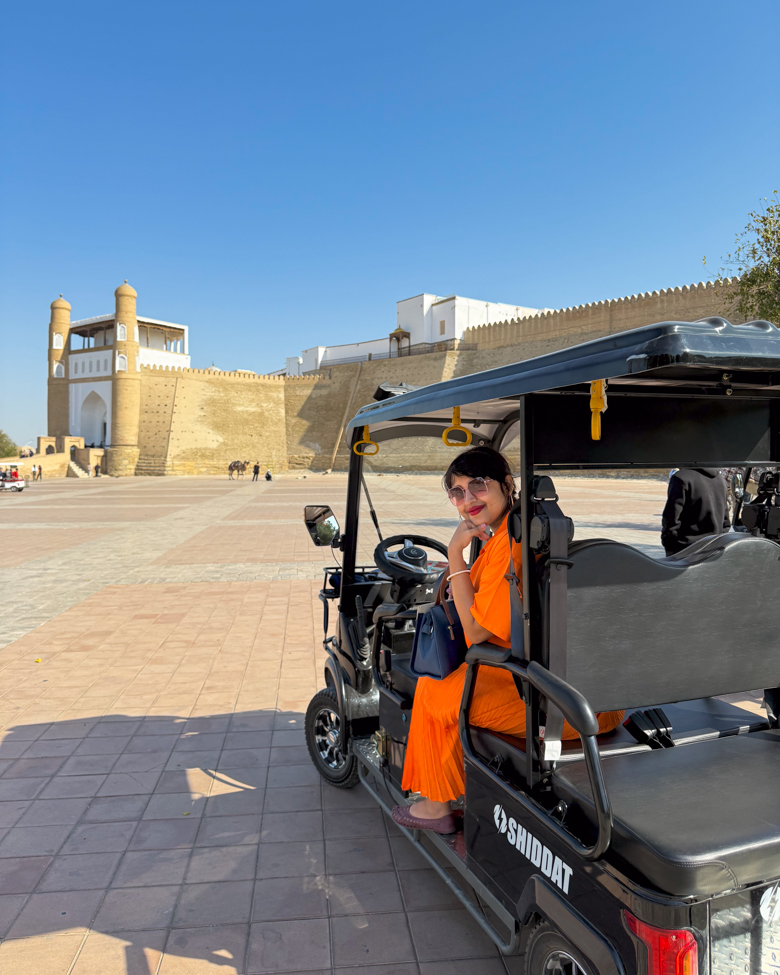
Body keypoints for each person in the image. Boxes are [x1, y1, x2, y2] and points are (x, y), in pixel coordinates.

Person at [391, 446, 624, 834]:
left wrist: (454, 554)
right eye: (458, 492)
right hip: (578, 688)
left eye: (478, 486)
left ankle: (436, 808)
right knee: (447, 685)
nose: (468, 500)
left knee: (434, 695)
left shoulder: (510, 544)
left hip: (562, 708)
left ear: (508, 485)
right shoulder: (516, 532)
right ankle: (455, 791)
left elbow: (478, 632)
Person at [661, 468, 731, 556]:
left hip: (686, 550)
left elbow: (671, 518)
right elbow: (725, 522)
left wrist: (671, 547)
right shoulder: (720, 479)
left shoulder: (681, 478)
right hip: (713, 549)